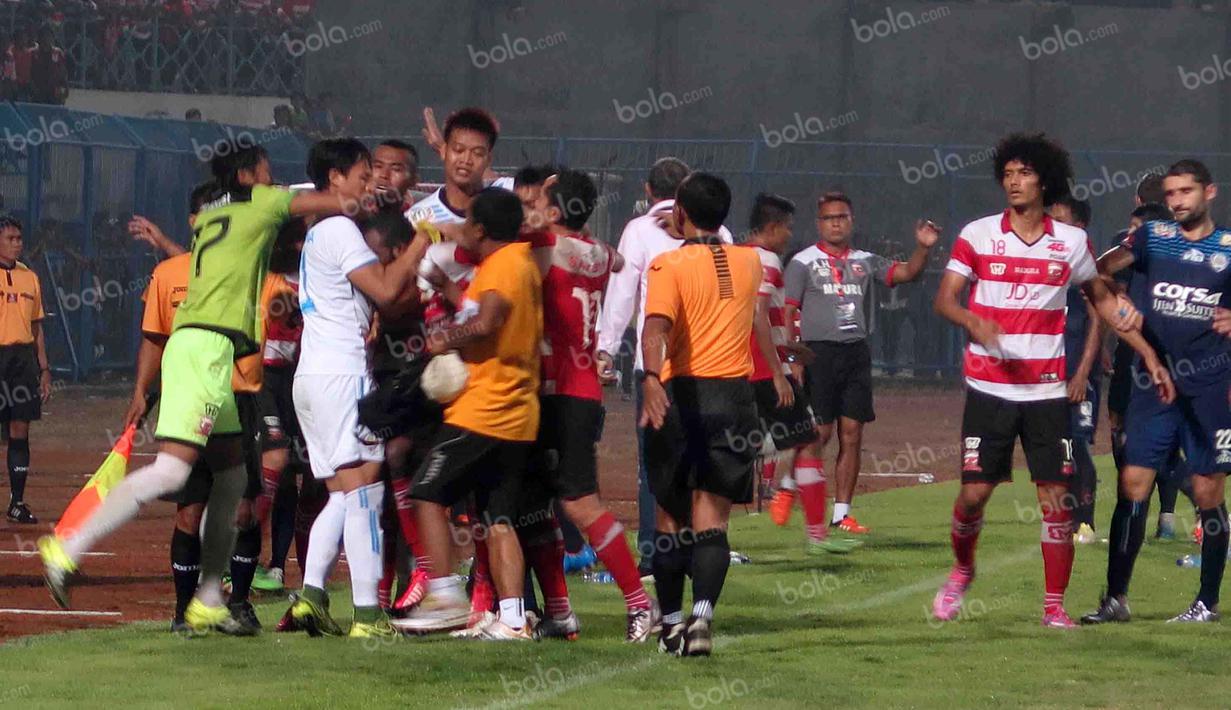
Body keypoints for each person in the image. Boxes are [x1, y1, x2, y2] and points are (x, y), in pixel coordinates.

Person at [39, 142, 350, 634]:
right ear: (246, 177)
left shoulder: (214, 215)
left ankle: (207, 597)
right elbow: (334, 202)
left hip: (212, 351)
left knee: (231, 475)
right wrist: (370, 194)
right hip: (204, 348)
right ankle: (67, 546)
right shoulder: (259, 202)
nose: (272, 180)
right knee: (170, 471)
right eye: (266, 172)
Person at [930, 132, 1169, 629]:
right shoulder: (978, 234)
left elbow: (1101, 298)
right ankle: (962, 570)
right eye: (1007, 174)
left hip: (1046, 393)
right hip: (990, 388)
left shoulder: (1071, 242)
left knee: (1056, 501)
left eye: (1024, 173)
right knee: (973, 496)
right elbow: (945, 299)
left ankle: (1053, 607)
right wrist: (973, 321)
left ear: (1045, 181)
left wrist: (1147, 351)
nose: (1014, 182)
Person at [282, 140, 427, 639]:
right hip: (341, 374)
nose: (370, 184)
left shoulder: (320, 232)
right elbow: (384, 290)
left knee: (343, 494)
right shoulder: (341, 228)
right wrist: (421, 242)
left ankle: (312, 597)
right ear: (335, 178)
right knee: (366, 492)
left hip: (313, 376)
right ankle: (368, 616)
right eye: (363, 175)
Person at [641, 172, 783, 657]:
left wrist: (650, 377)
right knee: (712, 521)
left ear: (679, 211)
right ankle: (701, 620)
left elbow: (656, 327)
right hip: (734, 399)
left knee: (668, 517)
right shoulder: (750, 262)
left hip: (681, 395)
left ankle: (670, 626)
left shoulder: (667, 264)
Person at [1084, 159, 1231, 624]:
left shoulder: (1228, 248)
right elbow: (1096, 272)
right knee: (1132, 484)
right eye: (1170, 194)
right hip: (1154, 383)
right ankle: (1115, 600)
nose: (1177, 201)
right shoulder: (1152, 237)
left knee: (1207, 490)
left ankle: (1206, 602)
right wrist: (1117, 297)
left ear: (1209, 192)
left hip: (1210, 387)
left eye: (1186, 191)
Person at [518, 169, 661, 641]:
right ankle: (559, 612)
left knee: (580, 504)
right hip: (577, 388)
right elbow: (616, 262)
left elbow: (502, 229)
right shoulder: (597, 251)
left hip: (561, 391)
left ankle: (639, 602)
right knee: (536, 505)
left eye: (542, 200)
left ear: (555, 210)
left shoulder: (543, 244)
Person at [395, 187, 541, 640]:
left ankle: (445, 599)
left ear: (479, 229)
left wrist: (446, 338)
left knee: (425, 491)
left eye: (467, 222)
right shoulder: (514, 261)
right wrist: (448, 289)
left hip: (485, 409)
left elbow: (489, 321)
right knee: (498, 519)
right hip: (515, 412)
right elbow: (487, 312)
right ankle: (513, 619)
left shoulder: (505, 264)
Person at [123, 183, 267, 634]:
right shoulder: (167, 274)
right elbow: (154, 337)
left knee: (244, 509)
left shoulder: (247, 265)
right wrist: (141, 390)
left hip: (238, 398)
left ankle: (238, 603)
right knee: (188, 511)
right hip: (187, 402)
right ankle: (183, 612)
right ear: (194, 221)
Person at [596, 157, 732, 575]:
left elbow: (622, 294)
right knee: (703, 460)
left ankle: (655, 554)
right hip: (712, 366)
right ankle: (700, 548)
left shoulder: (639, 230)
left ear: (648, 190)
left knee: (654, 466)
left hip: (656, 368)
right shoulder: (722, 234)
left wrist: (605, 348)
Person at [782, 192, 939, 535]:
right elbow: (788, 310)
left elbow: (907, 273)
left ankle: (841, 515)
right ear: (819, 223)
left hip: (855, 353)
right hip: (818, 353)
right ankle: (789, 481)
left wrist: (923, 248)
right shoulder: (802, 262)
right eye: (829, 218)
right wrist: (793, 356)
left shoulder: (865, 261)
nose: (836, 223)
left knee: (852, 434)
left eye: (842, 217)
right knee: (820, 433)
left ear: (852, 221)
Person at [744, 195, 852, 554]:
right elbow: (759, 315)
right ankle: (816, 535)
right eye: (787, 228)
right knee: (807, 439)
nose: (790, 235)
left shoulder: (736, 256)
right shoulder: (767, 260)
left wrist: (791, 352)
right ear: (773, 227)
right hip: (764, 371)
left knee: (801, 439)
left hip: (741, 367)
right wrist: (779, 371)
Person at [1047, 196, 1103, 544]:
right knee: (1058, 449)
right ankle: (1064, 518)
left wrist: (1082, 374)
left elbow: (1098, 317)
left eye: (1061, 221)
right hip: (1047, 376)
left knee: (1079, 446)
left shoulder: (1084, 264)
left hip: (1077, 376)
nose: (1053, 227)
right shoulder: (1046, 260)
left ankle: (1086, 523)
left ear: (1079, 227)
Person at [0, 216, 51, 524]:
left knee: (20, 429)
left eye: (19, 238)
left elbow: (37, 327)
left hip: (22, 361)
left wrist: (44, 368)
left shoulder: (30, 277)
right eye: (10, 238)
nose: (17, 243)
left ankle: (17, 502)